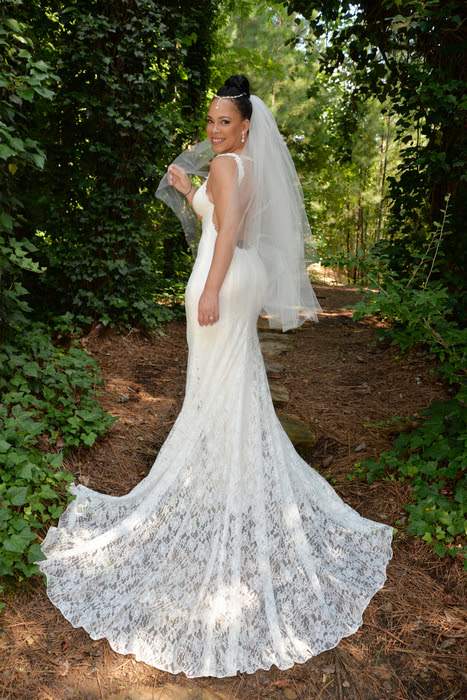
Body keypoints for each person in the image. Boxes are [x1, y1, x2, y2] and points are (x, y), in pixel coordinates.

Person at [38, 75, 395, 679]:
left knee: (215, 390)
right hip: (240, 276)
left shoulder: (229, 169)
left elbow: (225, 231)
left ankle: (218, 486)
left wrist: (207, 291)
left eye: (223, 123)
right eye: (209, 122)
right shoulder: (240, 167)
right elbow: (221, 216)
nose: (213, 131)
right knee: (231, 388)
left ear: (246, 125)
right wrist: (189, 188)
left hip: (223, 283)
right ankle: (225, 476)